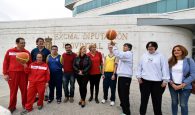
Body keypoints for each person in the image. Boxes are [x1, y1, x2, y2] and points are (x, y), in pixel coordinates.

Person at [136, 41, 170, 115]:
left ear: (155, 47)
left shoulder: (161, 56)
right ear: (147, 48)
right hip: (145, 82)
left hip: (157, 83)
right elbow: (139, 67)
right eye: (149, 46)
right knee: (143, 100)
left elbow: (165, 68)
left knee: (157, 101)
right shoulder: (144, 55)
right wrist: (138, 77)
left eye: (152, 46)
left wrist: (165, 80)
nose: (150, 47)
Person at [3, 37, 31, 113]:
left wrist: (27, 69)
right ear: (17, 43)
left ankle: (25, 105)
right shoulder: (10, 51)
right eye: (22, 43)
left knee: (24, 91)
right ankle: (12, 107)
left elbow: (30, 64)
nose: (23, 44)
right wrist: (5, 73)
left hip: (23, 74)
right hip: (12, 74)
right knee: (13, 91)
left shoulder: (27, 52)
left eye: (24, 43)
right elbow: (5, 62)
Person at [168, 45, 195, 115]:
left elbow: (193, 75)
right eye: (174, 50)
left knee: (183, 104)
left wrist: (182, 85)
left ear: (183, 51)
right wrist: (172, 84)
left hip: (185, 87)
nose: (176, 51)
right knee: (174, 102)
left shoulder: (189, 61)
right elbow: (167, 74)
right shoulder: (170, 61)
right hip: (172, 86)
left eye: (178, 50)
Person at [111, 42, 133, 115]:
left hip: (125, 77)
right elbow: (118, 56)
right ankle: (123, 105)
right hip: (121, 76)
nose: (124, 47)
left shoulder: (128, 54)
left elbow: (118, 54)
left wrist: (114, 46)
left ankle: (126, 112)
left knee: (124, 94)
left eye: (125, 46)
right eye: (123, 46)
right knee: (121, 93)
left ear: (129, 48)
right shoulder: (124, 55)